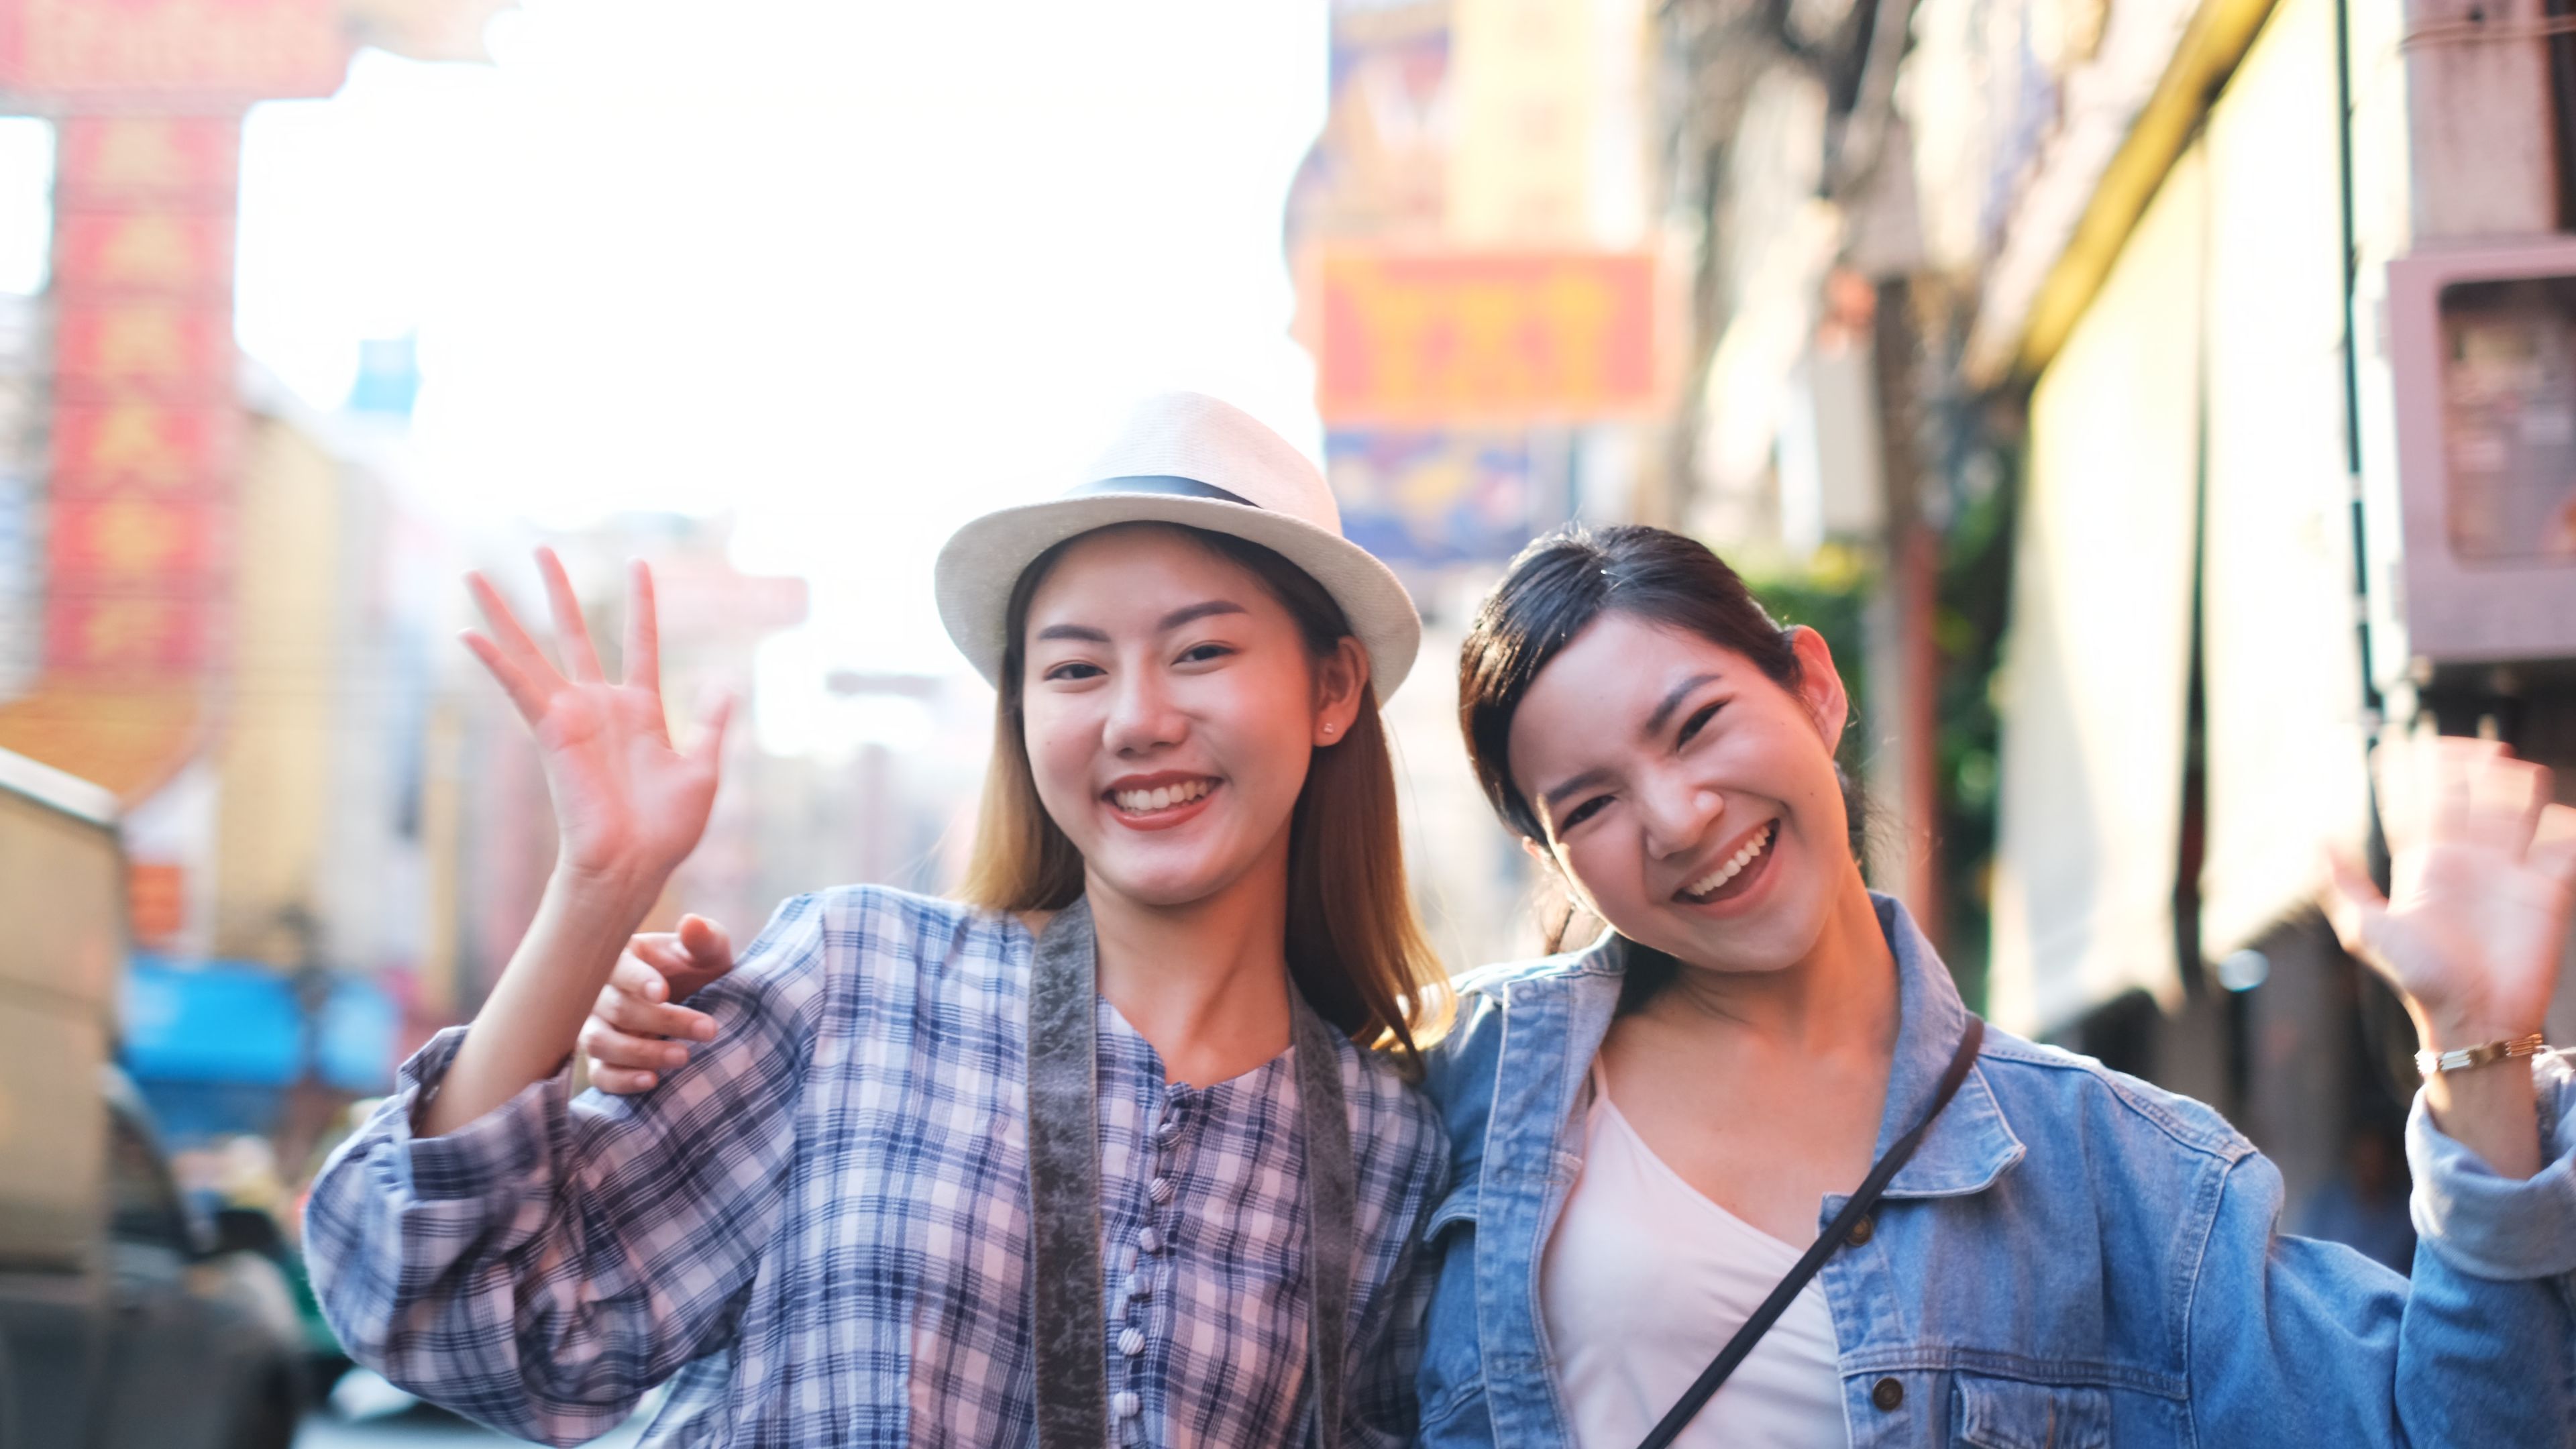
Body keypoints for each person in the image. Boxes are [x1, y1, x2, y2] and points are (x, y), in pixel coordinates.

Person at [597, 523, 2576, 1446]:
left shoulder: (2109, 1163)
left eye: (1702, 722)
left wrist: (2477, 1067)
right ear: (1556, 864)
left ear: (1808, 683)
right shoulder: (1438, 1108)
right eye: (1592, 800)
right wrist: (697, 1039)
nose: (1685, 818)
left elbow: (2455, 1432)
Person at [302, 392, 1453, 1448]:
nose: (1137, 720)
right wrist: (599, 890)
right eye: (1074, 670)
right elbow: (436, 1306)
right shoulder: (856, 984)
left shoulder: (1392, 1149)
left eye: (1202, 652)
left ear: (1333, 688)